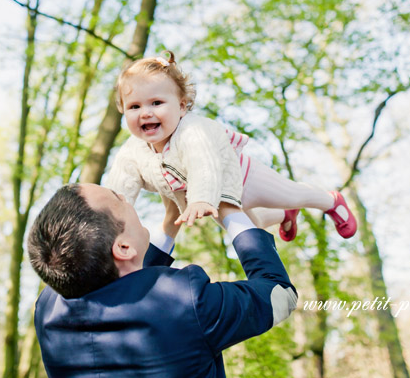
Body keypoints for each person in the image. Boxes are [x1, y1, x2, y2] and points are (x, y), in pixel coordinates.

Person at [27, 183, 298, 377]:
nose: (125, 196)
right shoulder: (187, 302)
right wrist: (229, 207)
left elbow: (124, 289)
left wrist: (171, 222)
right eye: (118, 198)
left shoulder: (48, 309)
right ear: (122, 248)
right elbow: (279, 292)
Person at [105, 51, 357, 247]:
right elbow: (119, 189)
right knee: (253, 229)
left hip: (243, 179)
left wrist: (201, 199)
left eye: (156, 103)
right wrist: (108, 222)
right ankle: (284, 215)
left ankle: (330, 201)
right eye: (134, 107)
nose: (145, 112)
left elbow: (203, 165)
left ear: (182, 107)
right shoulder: (134, 150)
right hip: (215, 199)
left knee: (294, 194)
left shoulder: (192, 131)